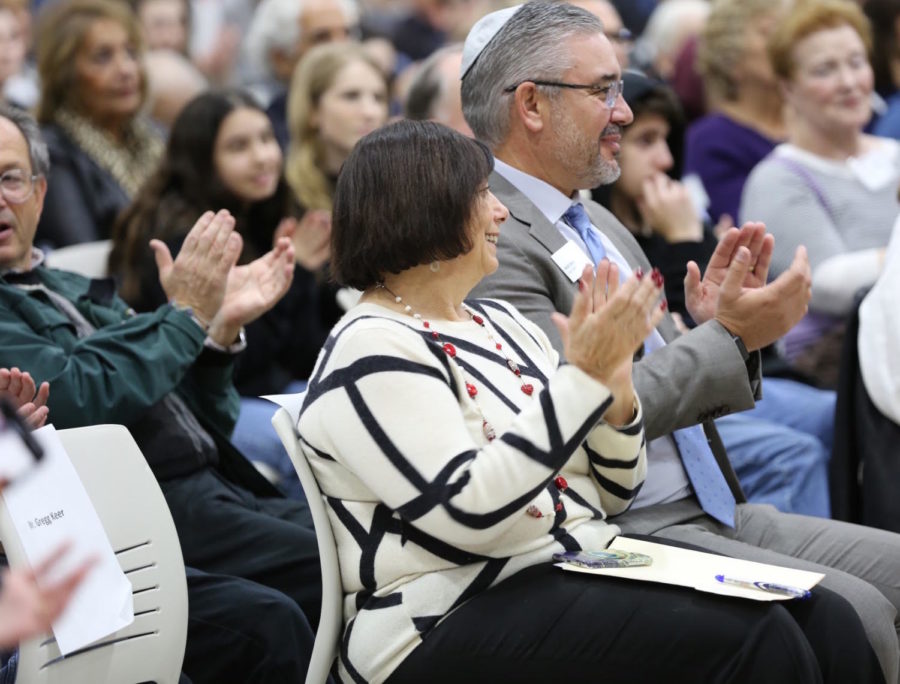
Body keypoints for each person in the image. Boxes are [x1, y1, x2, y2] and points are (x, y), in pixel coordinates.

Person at [298, 117, 880, 684]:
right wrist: (586, 376)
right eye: (481, 196)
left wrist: (616, 385)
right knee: (760, 637)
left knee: (825, 618)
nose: (500, 209)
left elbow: (612, 488)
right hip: (444, 613)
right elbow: (467, 512)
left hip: (572, 562)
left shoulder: (498, 321)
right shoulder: (372, 345)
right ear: (424, 210)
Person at [461, 4, 900, 682]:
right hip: (619, 528)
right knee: (859, 613)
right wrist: (727, 339)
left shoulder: (595, 217)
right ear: (531, 106)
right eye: (602, 89)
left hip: (709, 504)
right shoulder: (492, 236)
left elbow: (652, 374)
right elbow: (568, 419)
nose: (625, 112)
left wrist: (709, 325)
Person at [0, 104, 322, 681]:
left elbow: (203, 422)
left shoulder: (72, 285)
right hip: (145, 510)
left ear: (40, 192)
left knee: (365, 537)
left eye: (10, 178)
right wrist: (184, 316)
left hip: (213, 481)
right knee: (327, 574)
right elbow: (79, 392)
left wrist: (217, 336)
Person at [596, 69, 835, 518]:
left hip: (735, 377)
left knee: (839, 412)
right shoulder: (613, 225)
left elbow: (713, 309)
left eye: (667, 141)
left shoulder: (672, 211)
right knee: (804, 442)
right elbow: (668, 325)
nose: (665, 160)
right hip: (670, 398)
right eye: (645, 142)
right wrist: (685, 240)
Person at [109, 89, 327, 495]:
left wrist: (306, 277)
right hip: (194, 406)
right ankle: (324, 554)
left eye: (266, 138)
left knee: (356, 403)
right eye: (239, 146)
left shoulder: (263, 213)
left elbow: (303, 355)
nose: (263, 156)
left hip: (263, 390)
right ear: (201, 159)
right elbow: (232, 370)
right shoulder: (186, 237)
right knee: (314, 442)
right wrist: (293, 281)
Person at [740, 0, 900, 387]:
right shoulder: (778, 178)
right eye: (825, 70)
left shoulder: (894, 154)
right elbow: (827, 285)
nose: (849, 82)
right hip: (840, 371)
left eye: (856, 62)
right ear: (788, 88)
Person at [33, 0, 163, 249]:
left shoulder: (157, 138)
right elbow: (82, 256)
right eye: (103, 57)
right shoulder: (52, 154)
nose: (126, 69)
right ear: (65, 73)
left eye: (131, 52)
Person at [285, 41, 389, 327]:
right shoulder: (282, 196)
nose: (370, 112)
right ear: (313, 111)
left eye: (378, 98)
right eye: (351, 96)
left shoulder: (397, 191)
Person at [684, 0, 789, 225]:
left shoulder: (812, 118)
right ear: (730, 58)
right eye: (768, 32)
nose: (784, 42)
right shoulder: (712, 139)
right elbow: (747, 223)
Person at [241, 0, 358, 146]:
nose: (342, 46)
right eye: (322, 38)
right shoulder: (265, 126)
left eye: (346, 33)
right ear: (281, 59)